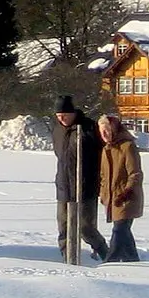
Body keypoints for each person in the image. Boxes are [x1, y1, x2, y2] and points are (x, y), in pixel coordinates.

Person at [52, 95, 107, 263]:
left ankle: (106, 254)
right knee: (64, 228)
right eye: (58, 115)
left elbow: (102, 153)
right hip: (64, 187)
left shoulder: (88, 128)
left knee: (86, 228)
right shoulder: (57, 130)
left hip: (85, 187)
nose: (62, 118)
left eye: (65, 115)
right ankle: (68, 260)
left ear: (73, 113)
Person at [98, 114, 144, 262]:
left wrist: (126, 192)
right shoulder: (106, 149)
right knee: (124, 233)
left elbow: (135, 173)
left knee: (119, 230)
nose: (104, 135)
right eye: (101, 131)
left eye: (107, 131)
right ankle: (133, 261)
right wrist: (103, 194)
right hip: (112, 199)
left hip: (127, 198)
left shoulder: (127, 146)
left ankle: (110, 261)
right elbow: (104, 176)